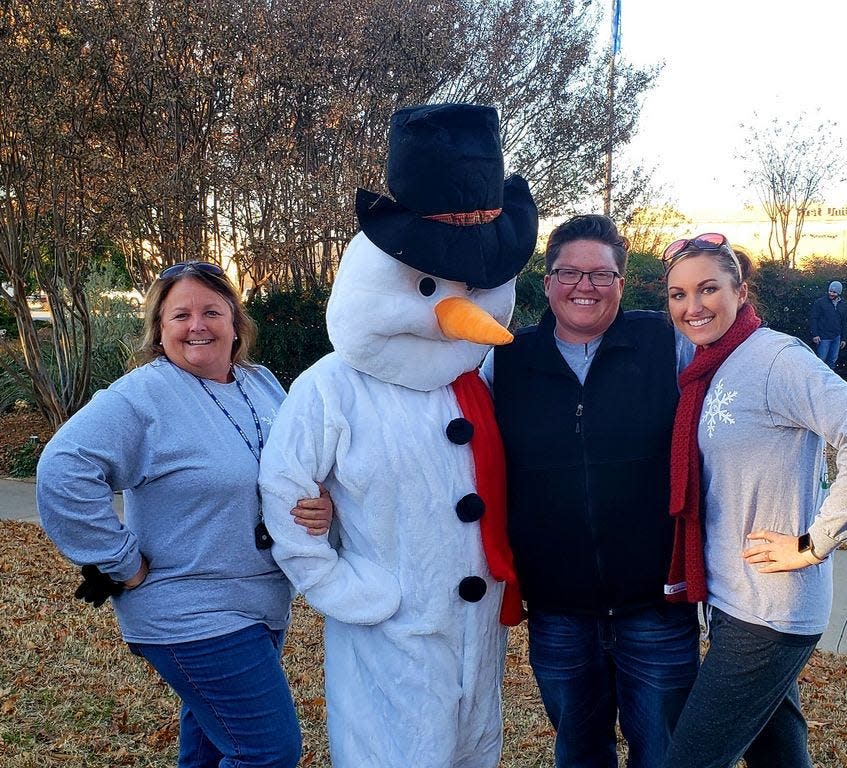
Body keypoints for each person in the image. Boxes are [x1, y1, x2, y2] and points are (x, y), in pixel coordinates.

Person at [261, 103, 536, 767]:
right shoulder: (333, 388)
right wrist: (341, 585)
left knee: (472, 750)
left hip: (476, 634)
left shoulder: (492, 373)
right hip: (389, 627)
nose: (463, 307)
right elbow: (284, 492)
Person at [36, 261, 332, 768]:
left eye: (212, 311)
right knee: (268, 751)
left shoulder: (260, 385)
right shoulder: (145, 395)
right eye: (180, 315)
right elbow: (63, 470)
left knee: (213, 748)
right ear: (159, 329)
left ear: (236, 323)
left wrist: (317, 503)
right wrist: (119, 561)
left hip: (259, 602)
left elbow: (292, 469)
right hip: (191, 611)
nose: (197, 326)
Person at [659, 233, 847, 768]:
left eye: (707, 289)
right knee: (778, 757)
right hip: (734, 599)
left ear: (740, 290)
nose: (692, 306)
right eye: (678, 295)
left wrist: (814, 543)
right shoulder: (711, 364)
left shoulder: (775, 358)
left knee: (690, 757)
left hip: (770, 609)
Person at [483, 214, 700, 768]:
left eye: (601, 275)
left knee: (663, 754)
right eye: (570, 273)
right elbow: (432, 431)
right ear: (548, 280)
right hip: (558, 606)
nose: (585, 286)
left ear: (622, 283)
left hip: (655, 602)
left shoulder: (666, 343)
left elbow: (740, 403)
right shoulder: (505, 359)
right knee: (579, 753)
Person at [809, 279, 847, 369]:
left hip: (836, 337)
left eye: (834, 292)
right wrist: (815, 334)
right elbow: (814, 319)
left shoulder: (843, 305)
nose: (831, 293)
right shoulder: (820, 302)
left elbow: (844, 322)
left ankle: (829, 381)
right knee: (820, 360)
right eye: (830, 291)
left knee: (833, 360)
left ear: (839, 293)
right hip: (823, 337)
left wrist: (844, 338)